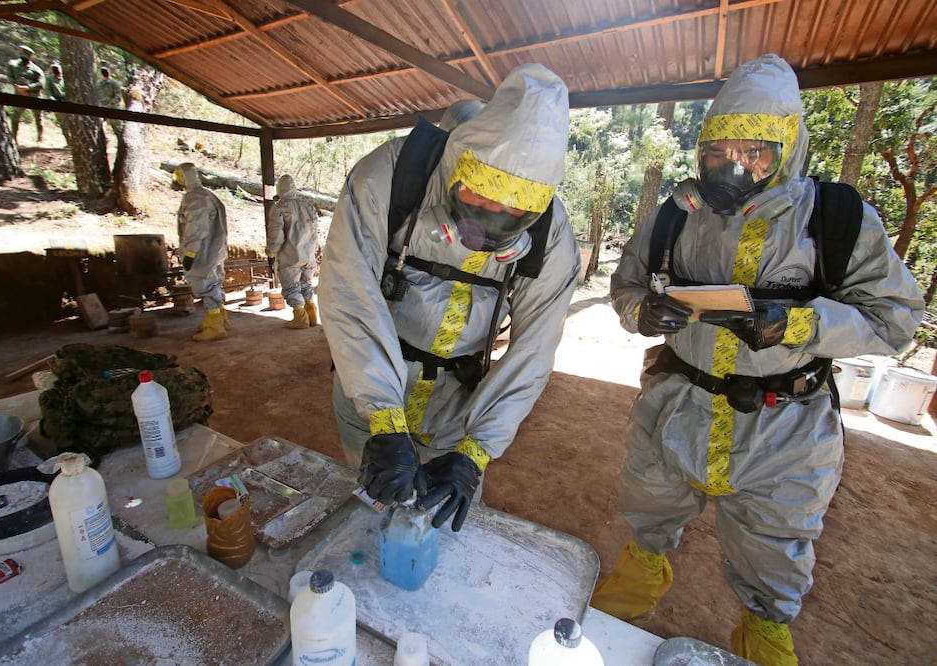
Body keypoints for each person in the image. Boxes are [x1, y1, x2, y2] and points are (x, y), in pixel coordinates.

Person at [596, 54, 924, 665]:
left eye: (756, 152)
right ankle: (623, 610)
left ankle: (765, 635)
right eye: (719, 150)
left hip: (786, 430)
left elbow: (897, 319)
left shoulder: (836, 218)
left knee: (773, 554)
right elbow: (628, 283)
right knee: (649, 517)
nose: (734, 166)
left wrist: (799, 324)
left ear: (789, 150)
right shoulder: (676, 214)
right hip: (676, 408)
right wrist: (641, 312)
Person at [318, 63, 580, 533]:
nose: (490, 221)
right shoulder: (392, 174)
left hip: (457, 405)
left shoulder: (552, 231)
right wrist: (383, 417)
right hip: (370, 382)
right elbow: (348, 290)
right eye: (478, 197)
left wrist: (476, 451)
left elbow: (534, 349)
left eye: (513, 212)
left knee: (440, 529)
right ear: (460, 158)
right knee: (373, 513)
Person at [175, 162, 229, 342]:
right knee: (214, 282)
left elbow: (196, 227)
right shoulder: (208, 195)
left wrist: (190, 251)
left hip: (202, 249)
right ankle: (220, 319)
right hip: (216, 248)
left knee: (204, 283)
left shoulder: (195, 198)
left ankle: (215, 325)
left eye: (179, 175)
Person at [266, 174, 321, 329]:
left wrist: (271, 252)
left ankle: (300, 318)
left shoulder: (280, 207)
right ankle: (311, 314)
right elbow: (315, 233)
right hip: (308, 256)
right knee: (306, 284)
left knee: (292, 286)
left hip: (290, 255)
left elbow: (276, 235)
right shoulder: (308, 207)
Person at [6, 45, 44, 142]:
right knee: (15, 117)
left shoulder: (36, 69)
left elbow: (41, 83)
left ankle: (40, 138)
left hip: (34, 96)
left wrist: (28, 88)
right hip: (20, 96)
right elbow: (10, 77)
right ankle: (14, 138)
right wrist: (17, 87)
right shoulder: (13, 65)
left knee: (38, 118)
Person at [98, 66, 124, 137]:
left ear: (109, 72)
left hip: (113, 109)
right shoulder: (99, 84)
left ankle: (122, 146)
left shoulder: (114, 83)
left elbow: (118, 97)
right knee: (100, 129)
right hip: (102, 109)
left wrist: (110, 104)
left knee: (118, 130)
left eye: (106, 71)